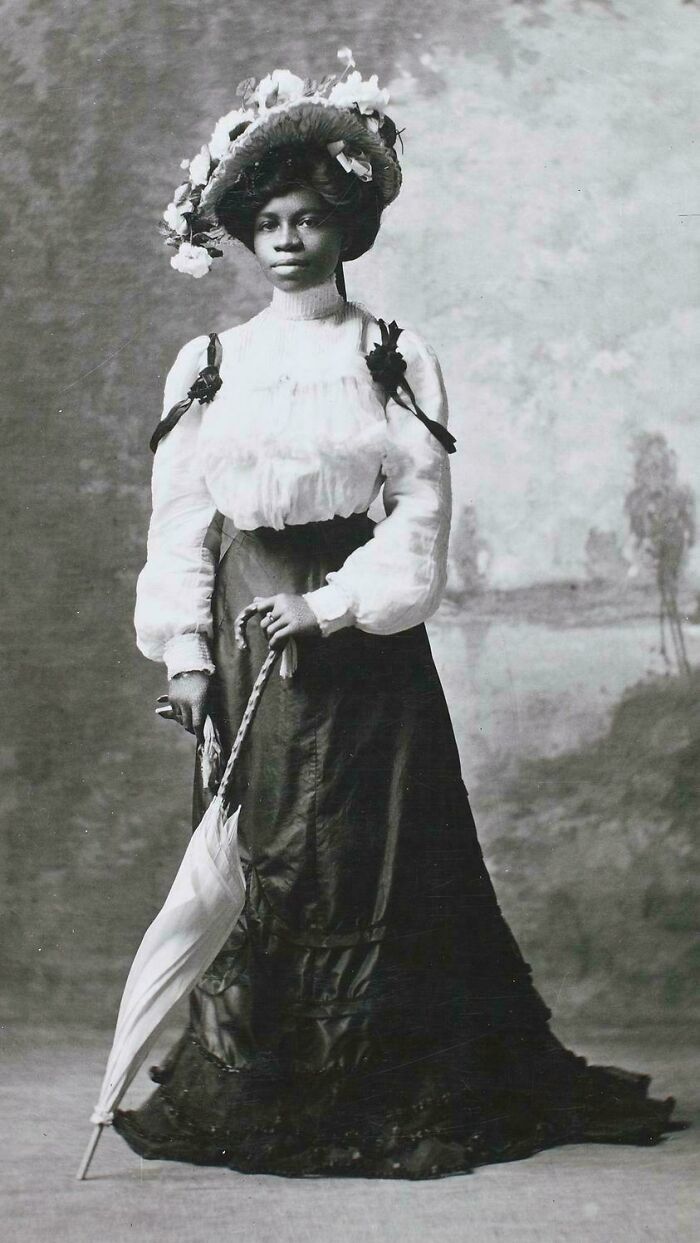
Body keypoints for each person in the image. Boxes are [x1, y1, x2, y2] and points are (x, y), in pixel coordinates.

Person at [114, 58, 677, 1178]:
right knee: (267, 846)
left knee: (368, 851)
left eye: (309, 219)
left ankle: (382, 1074)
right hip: (240, 634)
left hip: (358, 647)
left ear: (346, 226)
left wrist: (327, 607)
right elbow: (180, 520)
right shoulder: (213, 364)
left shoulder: (388, 353)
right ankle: (271, 1071)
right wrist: (186, 654)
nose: (286, 241)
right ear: (243, 235)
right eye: (267, 222)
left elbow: (420, 513)